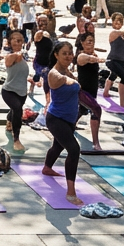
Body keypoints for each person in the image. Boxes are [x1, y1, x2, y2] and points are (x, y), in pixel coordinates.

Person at [42, 41, 85, 206]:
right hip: (56, 119)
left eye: (70, 53)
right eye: (64, 53)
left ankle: (47, 168)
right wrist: (69, 80)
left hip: (69, 119)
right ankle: (71, 192)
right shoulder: (54, 73)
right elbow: (60, 80)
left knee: (58, 146)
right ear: (56, 55)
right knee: (74, 149)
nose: (68, 56)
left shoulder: (67, 70)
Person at [74, 31, 107, 151]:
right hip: (82, 91)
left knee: (82, 110)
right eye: (88, 41)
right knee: (96, 110)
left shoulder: (94, 54)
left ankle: (69, 127)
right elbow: (89, 59)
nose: (91, 43)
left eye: (92, 41)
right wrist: (102, 60)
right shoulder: (81, 56)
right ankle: (96, 143)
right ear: (82, 43)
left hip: (92, 91)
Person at [0, 30, 31, 152]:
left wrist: (33, 81)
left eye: (20, 40)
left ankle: (9, 120)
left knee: (14, 109)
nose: (18, 41)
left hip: (22, 92)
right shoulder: (10, 56)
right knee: (18, 109)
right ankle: (16, 140)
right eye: (15, 39)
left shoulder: (23, 58)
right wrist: (18, 53)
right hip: (9, 91)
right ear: (9, 42)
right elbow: (10, 60)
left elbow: (21, 74)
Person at [102, 13, 124, 109]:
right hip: (112, 60)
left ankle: (106, 92)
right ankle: (122, 102)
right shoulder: (114, 33)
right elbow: (117, 34)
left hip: (122, 60)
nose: (118, 23)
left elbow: (121, 47)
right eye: (116, 21)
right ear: (112, 22)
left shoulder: (122, 36)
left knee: (113, 75)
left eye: (120, 21)